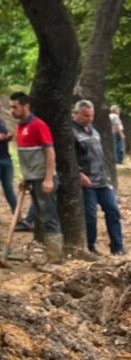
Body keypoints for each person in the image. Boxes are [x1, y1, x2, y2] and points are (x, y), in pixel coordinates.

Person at [9, 91, 64, 262]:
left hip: (43, 179)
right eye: (11, 107)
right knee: (42, 216)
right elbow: (27, 157)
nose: (12, 110)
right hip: (33, 178)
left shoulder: (38, 125)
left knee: (49, 217)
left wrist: (48, 179)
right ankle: (49, 255)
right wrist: (26, 177)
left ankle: (55, 258)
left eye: (15, 107)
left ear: (26, 106)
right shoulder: (20, 127)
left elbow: (50, 152)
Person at [73, 100, 125, 256]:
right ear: (76, 113)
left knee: (113, 211)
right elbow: (66, 158)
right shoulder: (70, 131)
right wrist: (78, 173)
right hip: (87, 182)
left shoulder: (92, 129)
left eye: (91, 115)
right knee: (90, 216)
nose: (89, 119)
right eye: (85, 115)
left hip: (103, 180)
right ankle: (90, 247)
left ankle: (117, 247)